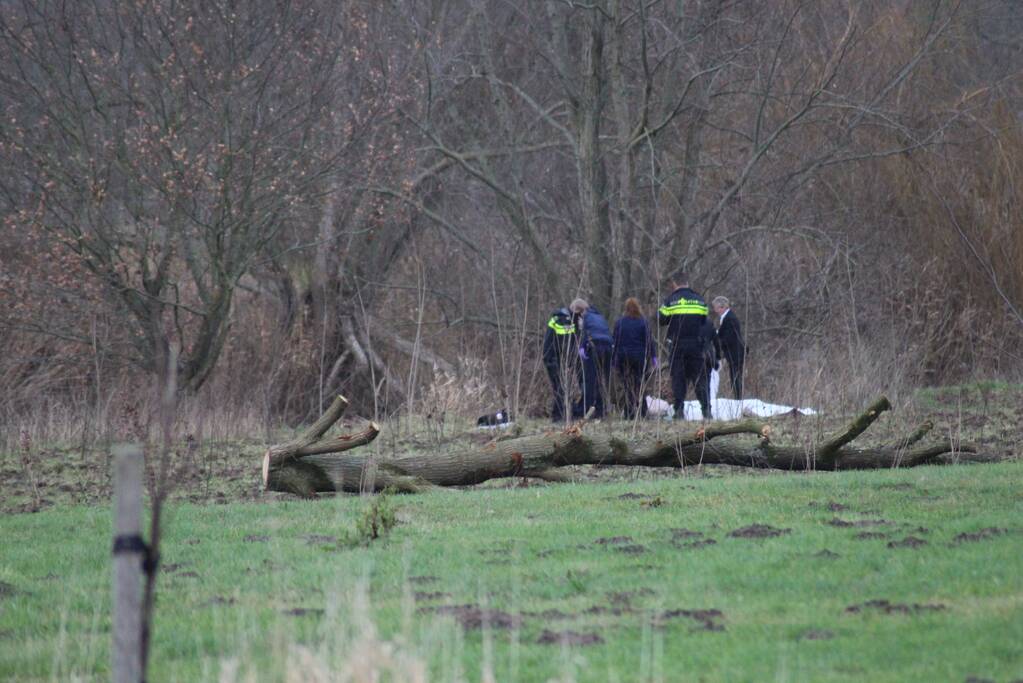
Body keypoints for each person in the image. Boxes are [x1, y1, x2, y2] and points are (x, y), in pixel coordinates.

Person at [658, 274, 712, 419]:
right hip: (696, 345)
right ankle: (706, 410)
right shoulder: (700, 299)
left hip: (677, 345)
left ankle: (679, 410)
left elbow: (661, 319)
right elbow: (704, 322)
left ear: (675, 284)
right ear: (687, 283)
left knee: (678, 378)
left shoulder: (671, 300)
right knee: (700, 378)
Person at [612, 298, 657, 419]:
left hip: (623, 357)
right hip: (639, 358)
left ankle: (629, 413)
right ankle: (642, 412)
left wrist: (614, 360)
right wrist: (653, 357)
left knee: (627, 386)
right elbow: (649, 341)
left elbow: (615, 342)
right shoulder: (643, 322)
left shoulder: (620, 322)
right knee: (639, 385)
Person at [570, 298, 613, 419]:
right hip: (608, 348)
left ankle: (585, 411)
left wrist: (582, 347)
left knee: (590, 381)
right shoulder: (599, 316)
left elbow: (585, 332)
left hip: (594, 347)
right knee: (603, 380)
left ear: (579, 311)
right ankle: (601, 410)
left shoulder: (585, 317)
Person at [542, 307, 577, 422]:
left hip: (552, 358)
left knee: (558, 387)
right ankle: (560, 415)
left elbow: (550, 340)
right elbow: (570, 344)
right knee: (561, 387)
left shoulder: (555, 319)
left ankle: (558, 415)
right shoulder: (570, 322)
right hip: (558, 360)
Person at [712, 296, 746, 399]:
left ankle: (738, 399)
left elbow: (729, 337)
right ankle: (737, 397)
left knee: (735, 377)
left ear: (721, 307)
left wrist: (718, 340)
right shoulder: (727, 317)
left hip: (735, 352)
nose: (715, 310)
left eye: (716, 308)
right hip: (734, 352)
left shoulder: (729, 318)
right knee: (734, 376)